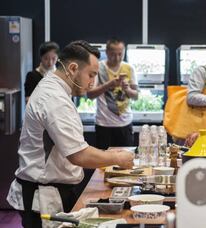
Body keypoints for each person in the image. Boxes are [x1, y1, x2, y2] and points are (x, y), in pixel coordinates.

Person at [7, 40, 134, 227]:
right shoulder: (53, 97)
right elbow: (79, 155)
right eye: (91, 75)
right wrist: (117, 158)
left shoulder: (56, 89)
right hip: (43, 197)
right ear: (73, 68)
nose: (92, 83)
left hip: (54, 191)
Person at [87, 38, 138, 149]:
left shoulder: (129, 68)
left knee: (126, 161)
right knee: (103, 163)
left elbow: (136, 96)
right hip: (104, 124)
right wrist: (108, 85)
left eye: (120, 54)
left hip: (125, 123)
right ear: (106, 53)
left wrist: (127, 89)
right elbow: (90, 94)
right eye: (113, 55)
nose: (117, 58)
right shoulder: (98, 68)